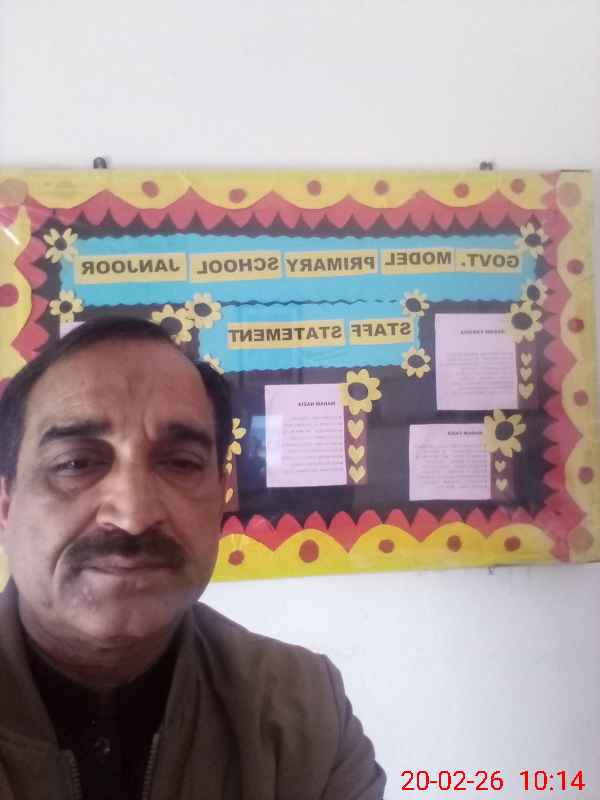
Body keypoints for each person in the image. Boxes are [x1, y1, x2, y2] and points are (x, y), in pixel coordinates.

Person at [0, 316, 386, 800]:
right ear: (7, 506)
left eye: (181, 463)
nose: (133, 515)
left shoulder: (303, 713)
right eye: (76, 463)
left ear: (221, 499)